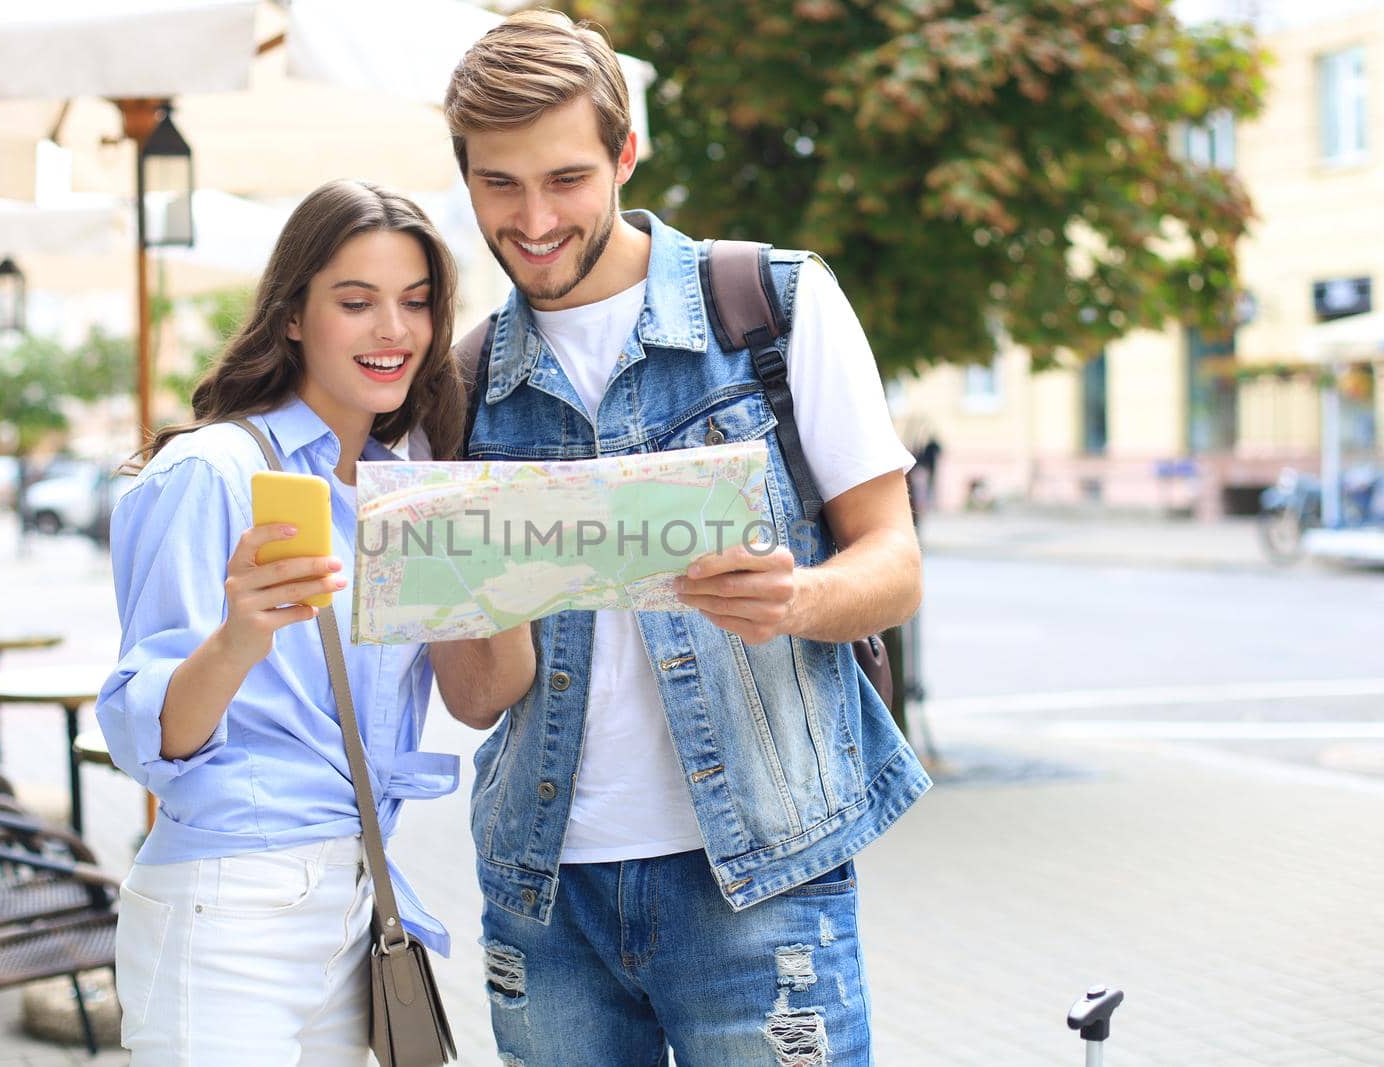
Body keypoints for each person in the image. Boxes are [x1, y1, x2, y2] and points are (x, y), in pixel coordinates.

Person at [435, 12, 931, 1065]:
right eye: (498, 185)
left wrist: (794, 598)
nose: (531, 220)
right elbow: (477, 698)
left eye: (565, 178)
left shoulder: (771, 302)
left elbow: (894, 563)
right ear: (465, 177)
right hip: (542, 896)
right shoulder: (463, 379)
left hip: (755, 881)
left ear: (624, 153)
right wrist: (459, 577)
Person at [94, 180, 506, 1066]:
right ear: (291, 316)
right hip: (228, 903)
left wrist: (514, 558)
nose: (392, 330)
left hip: (358, 895)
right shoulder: (210, 473)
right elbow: (147, 738)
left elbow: (485, 695)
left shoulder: (404, 490)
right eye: (355, 302)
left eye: (416, 303)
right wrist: (240, 634)